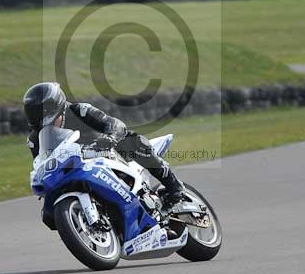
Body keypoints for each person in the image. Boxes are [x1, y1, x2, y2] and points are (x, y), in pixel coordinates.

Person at [23, 81, 185, 207]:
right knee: (48, 214)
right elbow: (42, 165)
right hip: (75, 170)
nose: (49, 125)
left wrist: (110, 138)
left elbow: (115, 124)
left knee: (130, 140)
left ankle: (174, 186)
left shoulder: (80, 111)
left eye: (51, 119)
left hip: (107, 155)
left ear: (59, 108)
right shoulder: (35, 139)